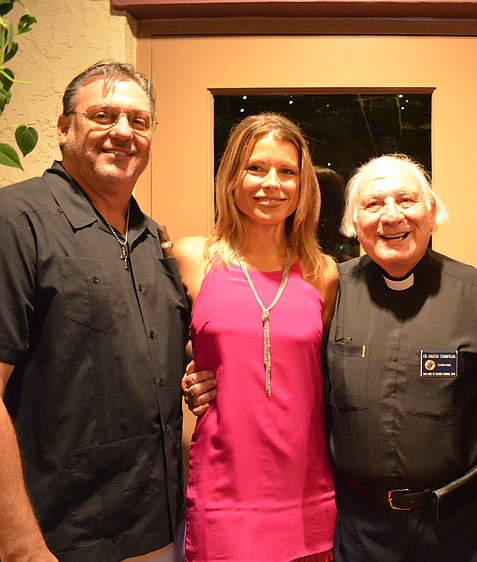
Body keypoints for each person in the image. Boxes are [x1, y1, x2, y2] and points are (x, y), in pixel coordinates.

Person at [0, 61, 188, 561]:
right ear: (64, 129)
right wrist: (21, 547)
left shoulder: (153, 240)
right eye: (103, 116)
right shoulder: (17, 222)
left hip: (159, 527)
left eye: (139, 121)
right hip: (59, 538)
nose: (123, 132)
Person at [327, 154, 477, 561]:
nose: (391, 216)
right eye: (373, 204)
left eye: (406, 200)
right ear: (354, 222)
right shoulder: (329, 294)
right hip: (359, 532)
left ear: (431, 214)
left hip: (461, 530)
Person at [173, 113, 338, 561]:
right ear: (231, 178)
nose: (273, 183)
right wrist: (189, 374)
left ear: (303, 187)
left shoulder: (323, 273)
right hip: (224, 490)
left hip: (304, 490)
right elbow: (146, 344)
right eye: (256, 168)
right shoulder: (193, 259)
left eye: (288, 172)